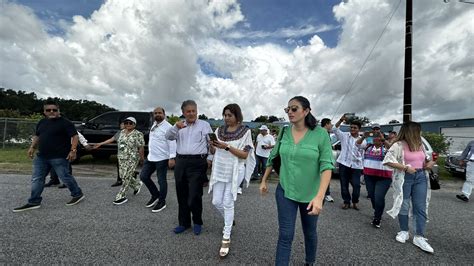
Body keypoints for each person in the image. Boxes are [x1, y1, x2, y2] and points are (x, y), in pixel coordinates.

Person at [260, 96, 333, 265]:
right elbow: (273, 157)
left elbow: (327, 165)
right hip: (286, 191)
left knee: (310, 232)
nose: (290, 112)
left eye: (294, 109)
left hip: (311, 194)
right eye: (288, 109)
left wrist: (320, 197)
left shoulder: (320, 134)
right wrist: (264, 180)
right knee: (285, 235)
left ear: (306, 111)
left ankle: (310, 261)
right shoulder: (284, 132)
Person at [13, 100, 85, 212]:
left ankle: (77, 194)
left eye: (54, 110)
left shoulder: (65, 123)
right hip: (42, 156)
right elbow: (37, 136)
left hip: (59, 156)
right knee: (37, 178)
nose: (51, 112)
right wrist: (32, 147)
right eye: (48, 110)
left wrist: (73, 150)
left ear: (58, 110)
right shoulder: (42, 122)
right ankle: (34, 201)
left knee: (65, 177)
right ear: (44, 111)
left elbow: (75, 136)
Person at [208, 103, 255, 258]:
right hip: (220, 168)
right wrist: (212, 146)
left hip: (236, 170)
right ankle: (230, 218)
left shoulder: (246, 131)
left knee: (228, 201)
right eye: (225, 115)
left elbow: (244, 155)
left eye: (230, 115)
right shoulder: (219, 130)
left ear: (237, 115)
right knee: (216, 201)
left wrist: (226, 146)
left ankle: (226, 236)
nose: (226, 118)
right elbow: (215, 151)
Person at [383, 121, 436, 253]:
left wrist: (430, 163)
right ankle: (404, 231)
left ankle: (419, 237)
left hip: (421, 177)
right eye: (418, 130)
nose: (420, 133)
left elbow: (427, 159)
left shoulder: (420, 145)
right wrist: (405, 167)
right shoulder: (398, 145)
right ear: (411, 131)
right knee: (404, 204)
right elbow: (387, 160)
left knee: (420, 206)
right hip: (405, 177)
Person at [165, 100, 213, 235]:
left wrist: (210, 158)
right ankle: (184, 223)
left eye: (194, 111)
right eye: (188, 111)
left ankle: (197, 222)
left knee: (194, 195)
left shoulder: (205, 125)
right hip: (181, 162)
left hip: (198, 163)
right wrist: (176, 127)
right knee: (182, 194)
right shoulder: (179, 125)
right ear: (183, 113)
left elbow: (211, 143)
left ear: (197, 111)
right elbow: (167, 136)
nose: (191, 113)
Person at [94, 117, 144, 205]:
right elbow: (112, 139)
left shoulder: (138, 134)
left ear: (134, 125)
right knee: (123, 175)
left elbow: (141, 147)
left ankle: (121, 196)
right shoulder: (120, 133)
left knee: (126, 177)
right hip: (121, 157)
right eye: (126, 123)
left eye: (130, 123)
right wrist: (100, 144)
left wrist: (142, 158)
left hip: (132, 158)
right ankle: (137, 185)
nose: (128, 124)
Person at [140, 107, 176, 212]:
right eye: (155, 113)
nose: (157, 115)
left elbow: (172, 143)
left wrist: (172, 157)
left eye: (159, 113)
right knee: (144, 176)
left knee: (161, 181)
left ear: (164, 114)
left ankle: (162, 201)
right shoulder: (154, 125)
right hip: (151, 157)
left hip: (162, 158)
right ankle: (155, 195)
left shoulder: (169, 127)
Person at [356, 132, 392, 228]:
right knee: (372, 196)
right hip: (369, 176)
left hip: (384, 177)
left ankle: (377, 217)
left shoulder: (387, 148)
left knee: (379, 197)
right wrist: (364, 136)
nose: (377, 139)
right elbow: (357, 144)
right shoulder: (368, 147)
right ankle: (377, 210)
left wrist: (384, 140)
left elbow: (392, 148)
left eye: (379, 138)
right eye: (375, 138)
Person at [333, 115, 365, 210]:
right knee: (344, 184)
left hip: (356, 166)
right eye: (351, 127)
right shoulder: (344, 136)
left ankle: (355, 201)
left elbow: (360, 146)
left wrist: (363, 137)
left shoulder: (363, 140)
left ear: (359, 129)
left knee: (356, 185)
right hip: (344, 163)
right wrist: (340, 120)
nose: (352, 129)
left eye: (355, 128)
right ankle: (346, 201)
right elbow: (334, 129)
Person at [321, 118, 335, 203]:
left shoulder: (325, 133)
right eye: (330, 124)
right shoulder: (323, 133)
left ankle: (325, 193)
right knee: (325, 176)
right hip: (324, 159)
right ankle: (326, 194)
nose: (331, 125)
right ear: (326, 124)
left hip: (324, 158)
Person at [110, 122, 125, 187]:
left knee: (125, 167)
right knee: (119, 166)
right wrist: (100, 143)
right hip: (120, 153)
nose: (120, 125)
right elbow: (112, 139)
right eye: (121, 124)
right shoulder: (119, 132)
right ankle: (119, 180)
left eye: (122, 124)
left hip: (127, 153)